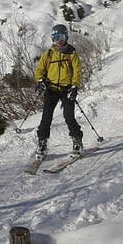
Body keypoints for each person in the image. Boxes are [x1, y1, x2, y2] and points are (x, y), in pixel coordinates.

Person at [34, 24, 83, 157]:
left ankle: (77, 140)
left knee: (69, 116)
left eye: (60, 37)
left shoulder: (72, 54)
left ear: (66, 37)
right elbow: (39, 70)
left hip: (67, 89)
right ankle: (42, 142)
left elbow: (77, 71)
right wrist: (40, 80)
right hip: (51, 89)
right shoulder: (49, 54)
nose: (58, 41)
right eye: (55, 38)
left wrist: (74, 86)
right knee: (46, 117)